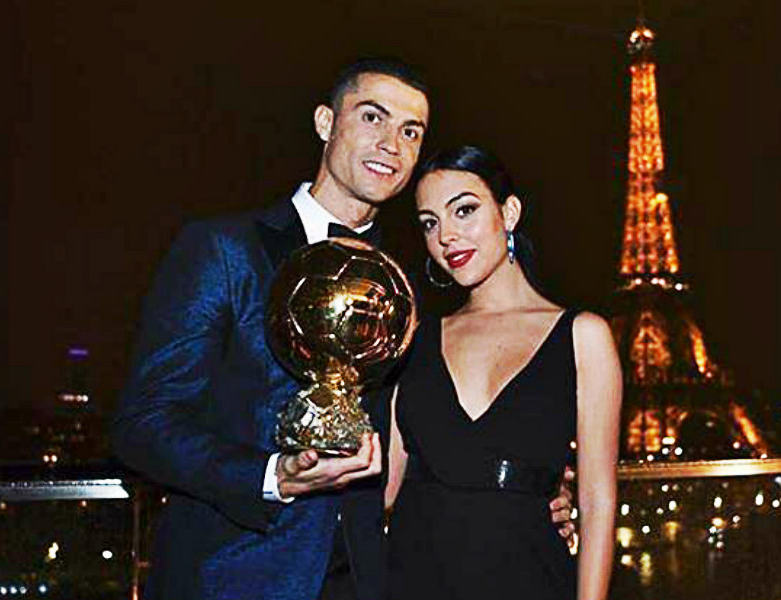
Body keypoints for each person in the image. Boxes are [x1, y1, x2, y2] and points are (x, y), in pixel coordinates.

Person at [113, 59, 573, 600]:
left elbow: (432, 442)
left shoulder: (412, 295)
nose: (391, 145)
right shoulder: (224, 251)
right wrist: (268, 475)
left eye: (411, 132)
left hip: (369, 581)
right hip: (233, 577)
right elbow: (141, 424)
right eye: (373, 118)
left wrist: (529, 493)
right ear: (325, 123)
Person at [385, 145, 622, 600]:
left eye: (465, 211)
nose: (446, 237)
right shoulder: (412, 339)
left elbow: (598, 503)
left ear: (508, 212)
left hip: (530, 575)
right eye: (430, 223)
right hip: (414, 576)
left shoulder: (583, 336)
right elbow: (384, 491)